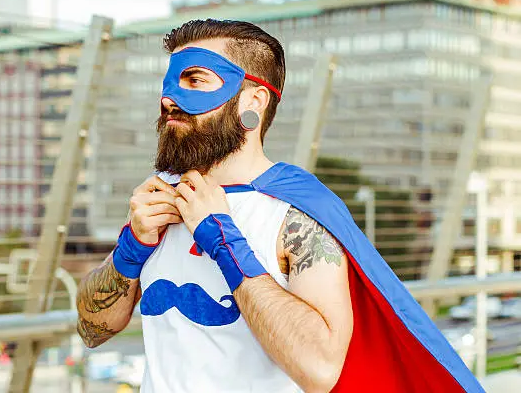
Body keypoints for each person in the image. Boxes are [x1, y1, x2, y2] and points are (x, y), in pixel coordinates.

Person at [77, 20, 483, 393]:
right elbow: (92, 330)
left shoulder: (296, 213)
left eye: (194, 79)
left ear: (252, 100)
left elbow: (321, 369)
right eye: (168, 82)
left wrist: (225, 243)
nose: (168, 99)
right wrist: (131, 248)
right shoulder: (157, 198)